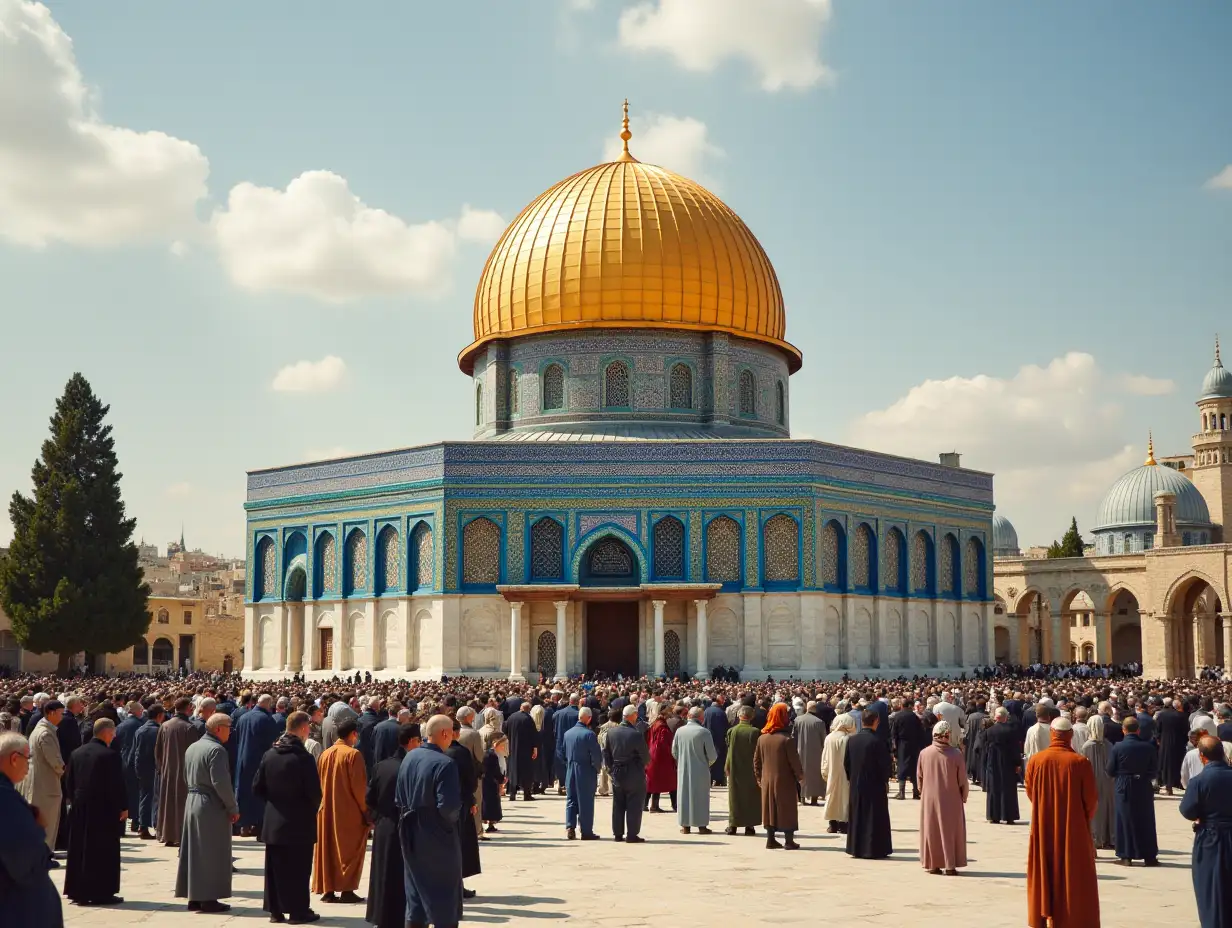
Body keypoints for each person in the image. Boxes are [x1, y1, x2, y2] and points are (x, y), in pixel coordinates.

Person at [1025, 717, 1099, 928]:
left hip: (1043, 824)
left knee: (1044, 869)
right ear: (1070, 735)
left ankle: (1044, 915)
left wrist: (1045, 807)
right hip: (1073, 827)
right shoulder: (1080, 762)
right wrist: (1080, 817)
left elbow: (1031, 792)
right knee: (1074, 872)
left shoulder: (1036, 761)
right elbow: (1091, 801)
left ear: (1052, 734)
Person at [253, 710, 322, 925]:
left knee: (275, 869)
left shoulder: (269, 754)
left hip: (274, 820)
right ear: (302, 728)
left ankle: (276, 911)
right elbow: (314, 794)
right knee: (299, 869)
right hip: (298, 821)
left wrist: (274, 803)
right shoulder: (303, 758)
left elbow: (257, 787)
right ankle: (298, 911)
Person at [397, 714, 464, 928]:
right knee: (443, 892)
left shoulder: (409, 757)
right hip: (436, 833)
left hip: (408, 829)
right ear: (444, 733)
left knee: (415, 890)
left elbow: (398, 796)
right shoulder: (445, 764)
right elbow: (449, 807)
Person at [175, 713, 238, 914]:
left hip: (193, 799)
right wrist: (232, 806)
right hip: (210, 803)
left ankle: (194, 896)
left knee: (194, 851)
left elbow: (186, 777)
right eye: (229, 726)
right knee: (211, 852)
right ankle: (209, 898)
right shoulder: (216, 750)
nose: (231, 730)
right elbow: (220, 782)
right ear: (218, 728)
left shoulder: (192, 747)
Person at [0, 731, 62, 928]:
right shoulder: (5, 799)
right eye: (28, 759)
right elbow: (23, 858)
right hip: (17, 907)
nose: (29, 765)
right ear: (14, 759)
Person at [63, 718, 127, 906]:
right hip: (104, 809)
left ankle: (78, 891)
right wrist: (123, 807)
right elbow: (117, 785)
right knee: (103, 850)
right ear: (106, 732)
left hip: (80, 806)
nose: (114, 735)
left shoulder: (76, 753)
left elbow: (69, 782)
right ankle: (102, 892)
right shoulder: (109, 755)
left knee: (79, 849)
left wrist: (75, 801)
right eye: (113, 732)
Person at [366, 722, 419, 928]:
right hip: (406, 826)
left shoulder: (381, 766)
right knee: (403, 875)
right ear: (412, 741)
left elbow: (370, 798)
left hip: (384, 826)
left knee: (382, 872)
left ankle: (380, 915)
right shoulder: (413, 766)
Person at [313, 717, 369, 905]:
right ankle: (346, 889)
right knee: (349, 851)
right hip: (348, 811)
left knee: (327, 850)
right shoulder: (354, 755)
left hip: (326, 810)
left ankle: (328, 889)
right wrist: (366, 812)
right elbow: (360, 789)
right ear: (353, 734)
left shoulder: (325, 754)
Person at [1179, 736, 1232, 928]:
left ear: (1202, 757)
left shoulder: (1199, 781)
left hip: (1210, 837)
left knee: (1211, 888)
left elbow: (1187, 810)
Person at [1106, 716, 1159, 866]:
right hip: (1143, 784)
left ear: (1123, 730)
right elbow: (1154, 770)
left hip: (1124, 783)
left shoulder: (1118, 747)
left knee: (1124, 820)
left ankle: (1126, 855)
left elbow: (1110, 770)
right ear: (1138, 730)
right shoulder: (1148, 747)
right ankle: (1149, 856)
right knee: (1146, 820)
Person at [917, 720, 968, 876]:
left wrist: (923, 792)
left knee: (932, 829)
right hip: (951, 798)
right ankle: (950, 865)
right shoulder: (956, 754)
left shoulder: (924, 753)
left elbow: (919, 778)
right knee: (950, 832)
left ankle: (933, 864)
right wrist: (963, 796)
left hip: (930, 798)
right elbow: (962, 780)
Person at [753, 703, 804, 849]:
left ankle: (770, 839)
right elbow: (794, 761)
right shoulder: (787, 739)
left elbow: (756, 761)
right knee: (787, 809)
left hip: (767, 780)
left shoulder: (762, 738)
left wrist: (759, 778)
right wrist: (800, 776)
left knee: (769, 809)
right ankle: (789, 841)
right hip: (785, 780)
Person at [845, 708, 893, 858]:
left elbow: (846, 763)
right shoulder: (878, 741)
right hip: (875, 784)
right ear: (876, 721)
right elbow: (885, 765)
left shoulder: (851, 740)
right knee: (874, 817)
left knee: (857, 816)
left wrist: (852, 778)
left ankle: (856, 848)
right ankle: (874, 848)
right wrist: (885, 780)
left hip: (856, 783)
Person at [19, 699, 64, 853]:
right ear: (51, 713)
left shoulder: (43, 730)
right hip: (45, 785)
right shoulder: (45, 733)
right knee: (47, 823)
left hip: (40, 783)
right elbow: (55, 762)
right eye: (60, 713)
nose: (62, 717)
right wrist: (64, 771)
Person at [155, 696, 201, 847]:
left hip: (168, 770)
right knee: (182, 804)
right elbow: (195, 752)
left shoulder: (165, 725)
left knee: (168, 803)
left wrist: (162, 767)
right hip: (185, 772)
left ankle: (167, 834)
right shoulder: (189, 727)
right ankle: (181, 835)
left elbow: (158, 751)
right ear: (188, 708)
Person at [234, 693, 280, 837]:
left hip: (242, 760)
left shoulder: (243, 717)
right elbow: (273, 742)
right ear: (268, 703)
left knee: (243, 792)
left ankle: (244, 825)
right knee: (259, 794)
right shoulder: (267, 719)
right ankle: (258, 826)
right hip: (259, 761)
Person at [446, 717, 482, 898]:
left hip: (438, 805)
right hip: (460, 804)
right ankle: (457, 884)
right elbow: (470, 780)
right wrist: (472, 800)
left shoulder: (436, 750)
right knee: (459, 845)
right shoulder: (460, 753)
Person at [602, 704, 649, 843]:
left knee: (618, 804)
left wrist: (611, 768)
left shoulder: (611, 732)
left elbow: (606, 753)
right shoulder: (635, 734)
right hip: (633, 772)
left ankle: (617, 833)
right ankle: (632, 834)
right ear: (632, 715)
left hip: (617, 771)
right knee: (634, 804)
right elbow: (645, 756)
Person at [672, 705, 718, 836]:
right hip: (701, 770)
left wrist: (682, 760)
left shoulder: (680, 731)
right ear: (700, 717)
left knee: (684, 796)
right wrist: (705, 764)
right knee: (701, 798)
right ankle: (701, 825)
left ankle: (685, 825)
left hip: (683, 769)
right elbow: (712, 756)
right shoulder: (704, 732)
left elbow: (674, 751)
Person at [562, 706, 603, 840]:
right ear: (589, 718)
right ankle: (586, 831)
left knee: (571, 799)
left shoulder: (567, 733)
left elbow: (562, 753)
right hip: (585, 770)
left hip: (570, 769)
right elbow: (596, 756)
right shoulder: (589, 734)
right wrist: (597, 768)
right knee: (585, 801)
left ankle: (570, 827)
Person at [724, 705, 762, 837]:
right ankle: (749, 826)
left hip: (735, 767)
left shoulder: (732, 731)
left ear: (739, 716)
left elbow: (729, 750)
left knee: (734, 797)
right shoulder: (755, 731)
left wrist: (727, 766)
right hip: (751, 769)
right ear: (751, 716)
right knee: (751, 797)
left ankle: (732, 825)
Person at [1081, 714, 1116, 851]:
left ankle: (1097, 838)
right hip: (1108, 781)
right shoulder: (1108, 745)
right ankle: (1110, 837)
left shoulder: (1086, 746)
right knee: (1108, 808)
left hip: (1093, 780)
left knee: (1095, 810)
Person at [982, 707, 1021, 825]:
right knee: (1008, 788)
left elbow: (984, 749)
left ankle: (994, 816)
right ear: (1005, 717)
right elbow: (1015, 749)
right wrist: (1018, 763)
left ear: (996, 718)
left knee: (994, 788)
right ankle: (1009, 815)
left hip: (992, 763)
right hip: (1008, 763)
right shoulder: (1011, 730)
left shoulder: (989, 731)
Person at [131, 703, 164, 840]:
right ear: (159, 716)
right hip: (154, 768)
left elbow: (135, 751)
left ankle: (141, 824)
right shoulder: (158, 730)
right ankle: (145, 826)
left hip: (142, 767)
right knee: (152, 797)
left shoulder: (140, 729)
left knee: (145, 796)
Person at [820, 712, 855, 834]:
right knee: (845, 798)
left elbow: (824, 758)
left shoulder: (829, 738)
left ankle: (832, 824)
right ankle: (844, 824)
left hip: (832, 773)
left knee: (832, 797)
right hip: (846, 775)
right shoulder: (849, 738)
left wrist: (824, 772)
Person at [454, 707, 486, 840]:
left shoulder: (454, 731)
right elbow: (479, 756)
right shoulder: (473, 734)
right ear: (468, 718)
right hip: (471, 772)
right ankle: (477, 829)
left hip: (455, 772)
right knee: (476, 800)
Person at [113, 701, 143, 835]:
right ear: (136, 711)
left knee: (123, 793)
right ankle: (135, 821)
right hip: (134, 762)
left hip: (121, 762)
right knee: (136, 793)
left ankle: (122, 822)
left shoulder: (120, 726)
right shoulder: (139, 725)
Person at [889, 696, 926, 801]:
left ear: (901, 705)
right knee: (914, 766)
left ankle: (902, 792)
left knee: (902, 766)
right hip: (914, 744)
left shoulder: (898, 716)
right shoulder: (914, 717)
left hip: (902, 744)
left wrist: (894, 748)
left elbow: (893, 734)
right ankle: (916, 792)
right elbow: (921, 733)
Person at [792, 701, 826, 805]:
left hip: (800, 751)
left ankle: (802, 798)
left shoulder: (798, 720)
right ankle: (814, 800)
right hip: (816, 753)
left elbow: (793, 736)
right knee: (815, 776)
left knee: (801, 774)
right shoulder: (819, 722)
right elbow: (823, 739)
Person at [503, 701, 538, 802]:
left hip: (512, 748)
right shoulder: (528, 719)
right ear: (528, 709)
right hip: (525, 750)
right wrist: (535, 749)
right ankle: (527, 794)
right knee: (526, 772)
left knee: (513, 770)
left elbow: (505, 730)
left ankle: (512, 794)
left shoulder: (511, 717)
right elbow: (534, 735)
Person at [644, 709, 676, 813]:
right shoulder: (663, 727)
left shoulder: (654, 724)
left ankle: (648, 805)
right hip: (661, 757)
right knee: (669, 780)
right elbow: (663, 743)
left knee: (652, 781)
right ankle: (657, 805)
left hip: (652, 754)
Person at [1156, 698, 1190, 795]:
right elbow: (1186, 731)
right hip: (1179, 744)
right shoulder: (1182, 716)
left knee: (1166, 765)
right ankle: (1179, 784)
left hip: (1165, 743)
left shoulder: (1162, 715)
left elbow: (1157, 729)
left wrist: (1159, 740)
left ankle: (1168, 786)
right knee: (1178, 764)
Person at [481, 733, 507, 834]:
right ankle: (490, 823)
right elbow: (495, 771)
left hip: (486, 781)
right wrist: (502, 779)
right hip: (490, 782)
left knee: (487, 803)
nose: (504, 747)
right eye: (503, 745)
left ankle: (489, 823)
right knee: (490, 804)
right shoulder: (492, 755)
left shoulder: (488, 753)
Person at [703, 694, 729, 787]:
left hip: (707, 738)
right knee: (719, 759)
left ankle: (709, 779)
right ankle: (718, 779)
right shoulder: (721, 712)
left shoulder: (706, 711)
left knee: (708, 758)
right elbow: (726, 727)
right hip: (719, 739)